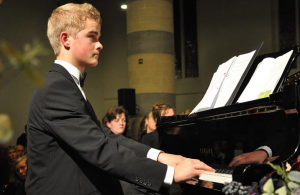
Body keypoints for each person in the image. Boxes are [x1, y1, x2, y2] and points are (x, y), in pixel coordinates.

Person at [25, 3, 214, 195]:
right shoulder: (57, 87)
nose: (100, 44)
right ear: (66, 39)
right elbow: (99, 148)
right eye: (92, 36)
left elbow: (104, 136)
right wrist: (169, 173)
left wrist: (159, 156)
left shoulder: (65, 84)